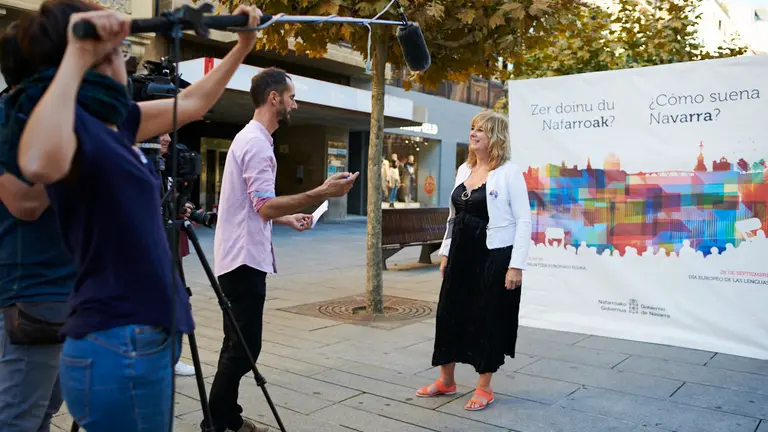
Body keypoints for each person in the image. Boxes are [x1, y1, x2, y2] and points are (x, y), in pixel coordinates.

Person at [6, 1, 265, 430]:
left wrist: (242, 47)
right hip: (116, 339)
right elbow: (35, 164)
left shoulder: (115, 121)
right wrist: (77, 50)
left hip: (144, 332)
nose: (125, 61)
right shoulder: (69, 127)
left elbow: (194, 102)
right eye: (118, 54)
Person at [211, 67, 358, 432]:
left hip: (237, 256)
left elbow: (253, 205)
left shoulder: (252, 139)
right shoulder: (257, 143)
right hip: (243, 260)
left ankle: (225, 417)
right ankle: (217, 422)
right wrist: (322, 192)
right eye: (291, 97)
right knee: (244, 349)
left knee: (235, 345)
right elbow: (263, 206)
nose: (295, 104)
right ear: (274, 98)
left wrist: (289, 217)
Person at [415, 111, 532, 411]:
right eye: (472, 128)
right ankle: (446, 380)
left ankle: (484, 387)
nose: (474, 133)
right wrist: (445, 252)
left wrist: (516, 265)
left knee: (487, 318)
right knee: (449, 314)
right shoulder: (464, 168)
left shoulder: (508, 172)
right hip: (461, 255)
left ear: (496, 137)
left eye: (481, 129)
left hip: (493, 255)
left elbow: (523, 220)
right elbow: (454, 217)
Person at [0, 21, 76, 432]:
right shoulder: (8, 119)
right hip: (31, 293)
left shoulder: (62, 121)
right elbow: (25, 203)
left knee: (43, 409)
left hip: (69, 290)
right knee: (18, 417)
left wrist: (242, 46)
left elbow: (187, 106)